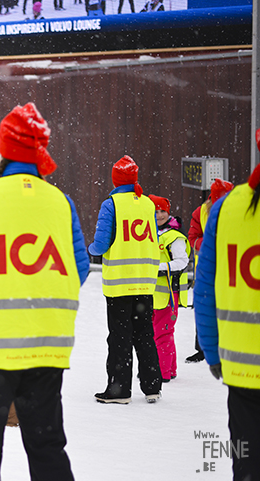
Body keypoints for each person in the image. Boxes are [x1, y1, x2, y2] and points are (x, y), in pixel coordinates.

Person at [0, 103, 89, 481]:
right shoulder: (61, 203)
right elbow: (81, 268)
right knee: (47, 448)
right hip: (47, 346)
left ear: (2, 149)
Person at [194, 138, 260, 481]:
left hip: (242, 369)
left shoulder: (227, 208)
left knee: (245, 459)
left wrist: (212, 350)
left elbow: (205, 288)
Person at [88, 155, 162, 404]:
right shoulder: (148, 204)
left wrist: (90, 248)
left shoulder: (112, 204)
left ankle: (119, 390)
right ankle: (152, 387)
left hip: (120, 284)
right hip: (145, 281)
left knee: (120, 337)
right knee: (144, 333)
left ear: (115, 180)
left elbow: (100, 245)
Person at [186, 177, 234, 363]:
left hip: (230, 267)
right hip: (206, 268)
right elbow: (192, 238)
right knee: (204, 307)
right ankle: (203, 348)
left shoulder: (238, 210)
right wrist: (209, 245)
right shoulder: (200, 213)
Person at [148, 194, 190, 383]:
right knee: (162, 332)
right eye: (155, 211)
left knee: (162, 334)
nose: (158, 215)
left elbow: (182, 262)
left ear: (168, 212)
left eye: (162, 211)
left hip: (167, 295)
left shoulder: (174, 237)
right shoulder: (149, 233)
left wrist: (159, 269)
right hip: (154, 295)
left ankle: (162, 372)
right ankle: (170, 369)